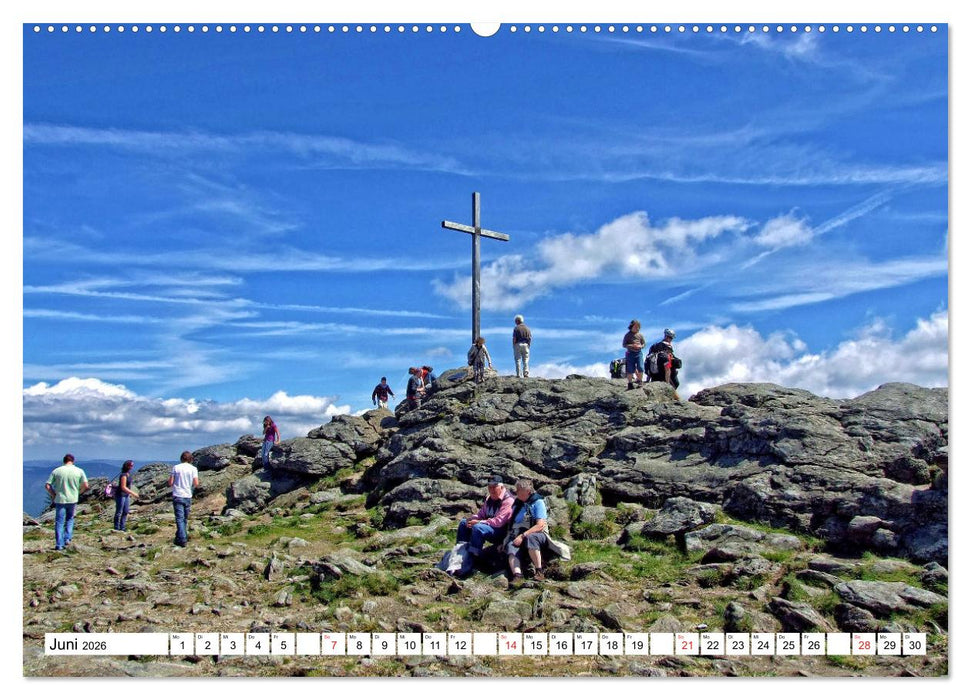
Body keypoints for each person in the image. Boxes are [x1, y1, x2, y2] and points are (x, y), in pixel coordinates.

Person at [456, 476, 514, 570]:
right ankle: (461, 553)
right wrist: (471, 519)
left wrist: (479, 522)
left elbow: (499, 522)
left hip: (502, 532)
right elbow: (481, 514)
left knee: (478, 527)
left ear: (502, 487)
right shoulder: (489, 499)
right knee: (463, 523)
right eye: (489, 487)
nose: (491, 489)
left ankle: (475, 558)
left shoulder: (508, 501)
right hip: (490, 527)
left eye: (494, 487)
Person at [504, 479, 551, 583]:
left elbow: (540, 525)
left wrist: (523, 536)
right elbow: (511, 524)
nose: (516, 492)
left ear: (528, 492)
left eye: (519, 490)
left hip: (538, 534)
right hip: (517, 534)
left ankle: (539, 571)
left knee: (531, 538)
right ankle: (517, 575)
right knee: (511, 545)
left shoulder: (538, 502)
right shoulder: (518, 504)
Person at [45, 454, 88, 551]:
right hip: (73, 499)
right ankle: (67, 538)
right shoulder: (79, 471)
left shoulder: (57, 471)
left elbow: (47, 485)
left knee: (59, 522)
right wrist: (78, 493)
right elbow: (86, 485)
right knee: (70, 519)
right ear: (73, 461)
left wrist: (53, 495)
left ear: (64, 460)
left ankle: (59, 544)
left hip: (60, 499)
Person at [168, 451, 199, 547]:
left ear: (181, 458)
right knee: (184, 518)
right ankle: (181, 536)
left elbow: (170, 482)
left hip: (178, 494)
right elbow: (196, 483)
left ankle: (182, 539)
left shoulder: (176, 467)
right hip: (187, 495)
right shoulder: (193, 469)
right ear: (190, 459)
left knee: (179, 518)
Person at [113, 460, 139, 532]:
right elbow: (123, 487)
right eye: (130, 465)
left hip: (126, 495)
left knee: (125, 511)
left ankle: (122, 527)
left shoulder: (128, 474)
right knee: (119, 511)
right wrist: (133, 493)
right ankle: (116, 527)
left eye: (132, 465)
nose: (131, 467)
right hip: (121, 495)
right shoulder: (123, 475)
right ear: (126, 466)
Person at [622, 319, 647, 390]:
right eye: (636, 327)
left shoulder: (640, 335)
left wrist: (641, 346)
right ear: (631, 326)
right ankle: (630, 383)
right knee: (630, 369)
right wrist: (632, 345)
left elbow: (644, 343)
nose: (637, 328)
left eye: (638, 327)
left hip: (638, 353)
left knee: (641, 367)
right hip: (630, 353)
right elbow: (624, 345)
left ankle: (640, 381)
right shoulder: (627, 335)